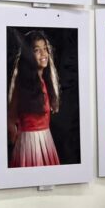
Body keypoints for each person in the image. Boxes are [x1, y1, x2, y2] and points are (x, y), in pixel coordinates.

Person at [7, 30, 61, 167]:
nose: (44, 54)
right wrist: (17, 140)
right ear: (28, 55)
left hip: (46, 140)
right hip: (28, 144)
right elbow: (10, 119)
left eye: (45, 49)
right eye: (37, 50)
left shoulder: (45, 81)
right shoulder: (21, 84)